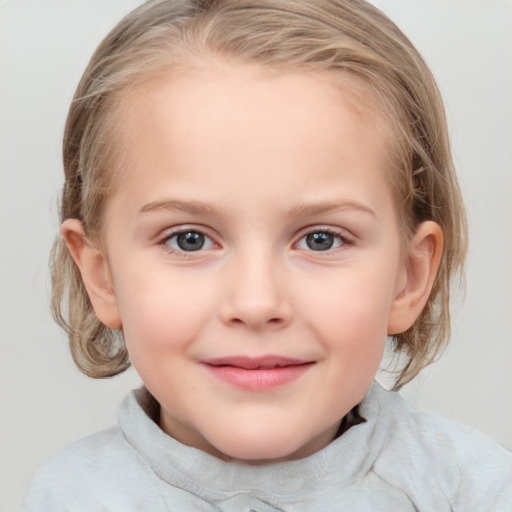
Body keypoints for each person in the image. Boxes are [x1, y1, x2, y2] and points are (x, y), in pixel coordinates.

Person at [20, 0, 512, 510]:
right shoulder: (69, 497)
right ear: (101, 276)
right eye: (189, 239)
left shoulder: (474, 492)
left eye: (321, 239)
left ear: (408, 278)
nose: (256, 303)